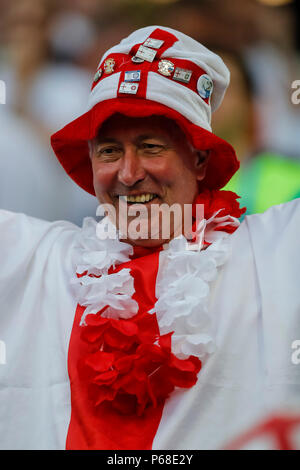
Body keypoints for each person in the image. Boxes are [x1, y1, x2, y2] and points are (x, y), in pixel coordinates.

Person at [0, 26, 299, 450]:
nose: (127, 173)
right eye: (108, 151)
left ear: (198, 160)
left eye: (151, 146)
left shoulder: (276, 253)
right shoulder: (37, 258)